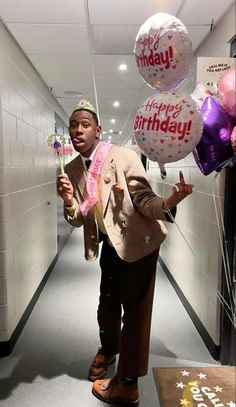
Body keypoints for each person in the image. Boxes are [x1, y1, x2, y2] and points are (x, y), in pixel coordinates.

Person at [57, 100, 193, 406]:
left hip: (139, 243)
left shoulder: (123, 156)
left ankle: (128, 383)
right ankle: (109, 349)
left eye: (85, 124)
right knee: (107, 302)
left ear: (98, 130)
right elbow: (78, 218)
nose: (78, 129)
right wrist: (68, 200)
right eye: (73, 125)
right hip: (110, 244)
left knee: (135, 312)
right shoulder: (72, 168)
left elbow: (145, 201)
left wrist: (170, 200)